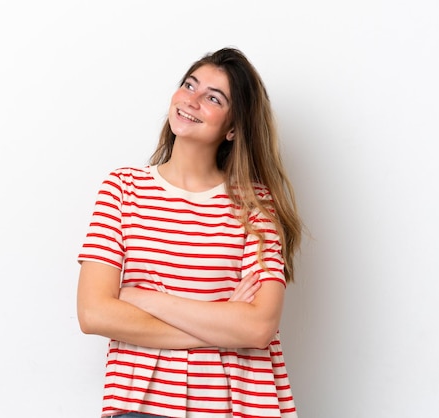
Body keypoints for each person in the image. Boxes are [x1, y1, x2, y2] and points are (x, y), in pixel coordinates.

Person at [76, 47, 303, 418]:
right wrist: (224, 322)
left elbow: (259, 326)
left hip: (236, 404)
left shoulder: (256, 204)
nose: (191, 100)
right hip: (143, 405)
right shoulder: (122, 189)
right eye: (189, 85)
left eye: (213, 98)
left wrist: (142, 298)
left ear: (233, 127)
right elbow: (94, 313)